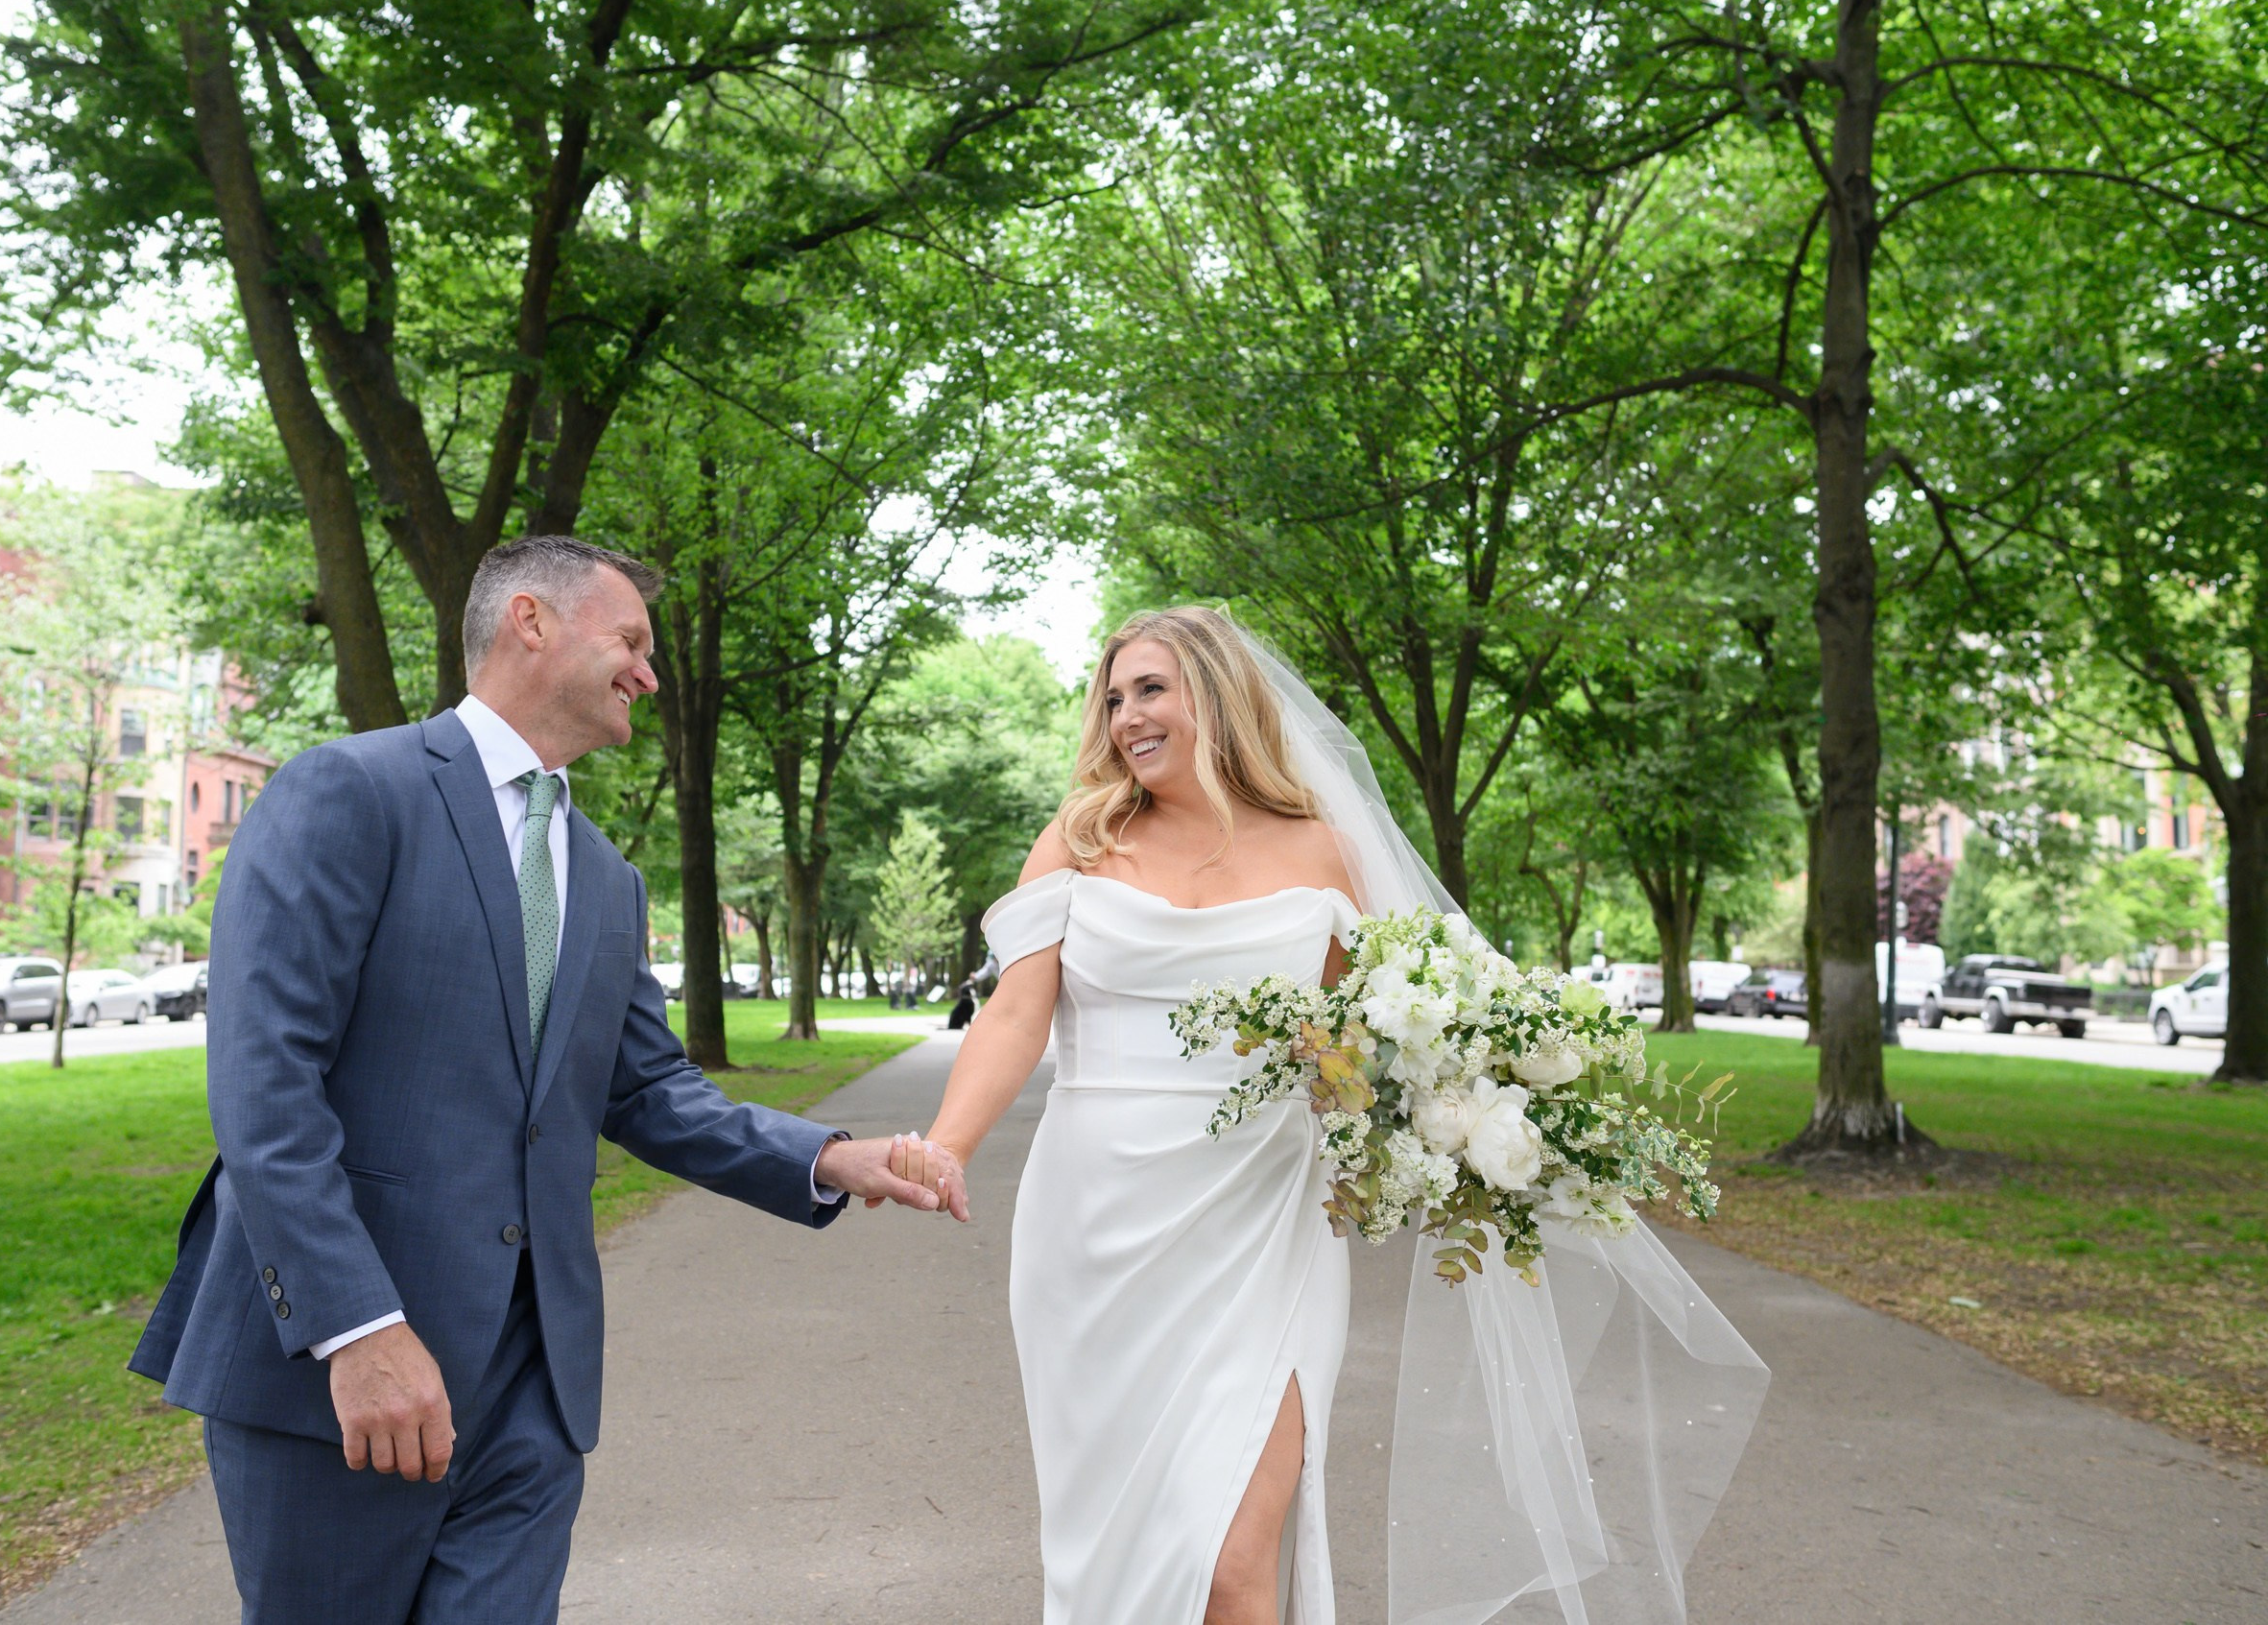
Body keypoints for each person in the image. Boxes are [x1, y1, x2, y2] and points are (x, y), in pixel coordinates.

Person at [130, 536, 966, 1625]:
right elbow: (266, 1084)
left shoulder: (609, 880)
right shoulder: (348, 789)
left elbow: (647, 1088)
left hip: (536, 1384)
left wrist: (825, 1154)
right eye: (630, 641)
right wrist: (356, 1327)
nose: (649, 674)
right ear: (530, 620)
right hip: (340, 1373)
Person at [890, 606, 1767, 1625]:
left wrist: (1444, 1116)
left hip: (1265, 1226)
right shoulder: (1080, 840)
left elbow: (1357, 1054)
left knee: (1230, 1563)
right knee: (1116, 1554)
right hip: (1091, 1233)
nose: (1126, 714)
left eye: (1151, 689)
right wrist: (945, 1144)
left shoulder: (1324, 850)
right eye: (1114, 695)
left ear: (1217, 697)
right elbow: (1014, 1010)